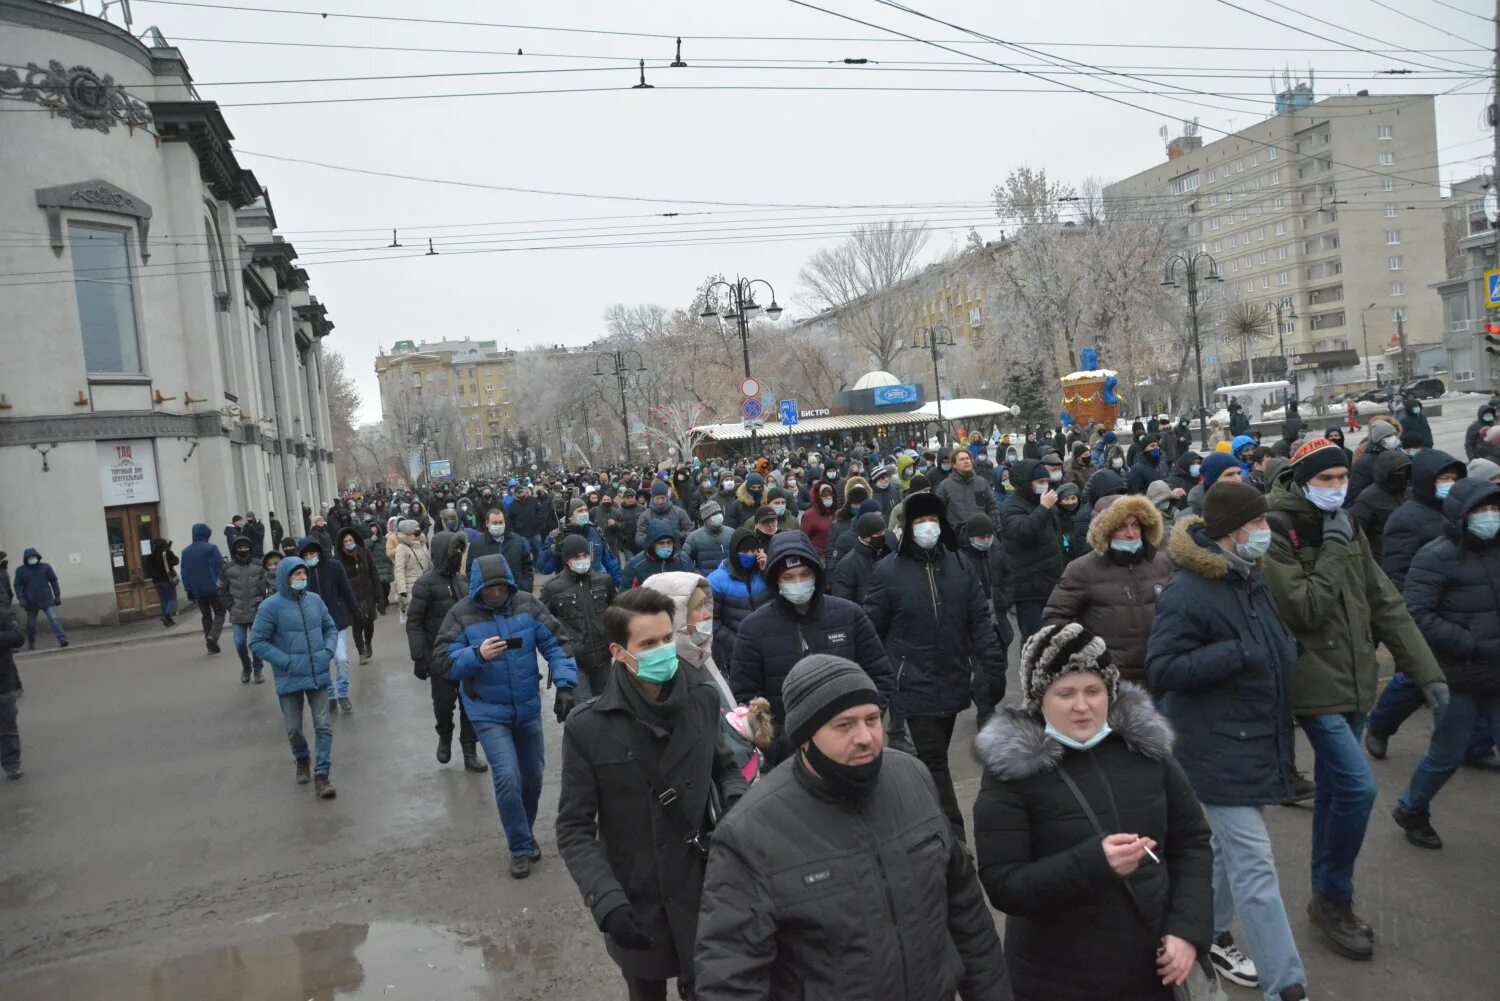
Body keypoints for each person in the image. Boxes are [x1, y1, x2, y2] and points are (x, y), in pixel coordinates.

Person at [695, 654, 1011, 1001]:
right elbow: (729, 981)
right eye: (844, 725)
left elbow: (967, 913)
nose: (866, 737)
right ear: (805, 737)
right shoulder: (749, 833)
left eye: (872, 719)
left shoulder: (912, 777)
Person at [1261, 437, 1444, 960]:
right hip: (1311, 683)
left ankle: (1323, 894)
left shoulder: (1347, 526)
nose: (1337, 489)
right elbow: (1305, 607)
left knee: (1338, 794)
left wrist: (1425, 672)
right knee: (1359, 789)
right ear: (1301, 482)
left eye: (1342, 479)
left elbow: (1384, 601)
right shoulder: (1278, 529)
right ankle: (1337, 895)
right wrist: (1338, 547)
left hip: (1358, 678)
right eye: (1326, 480)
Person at [973, 623, 1213, 1001]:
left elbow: (1193, 843)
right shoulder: (1011, 773)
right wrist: (1094, 864)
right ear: (1039, 698)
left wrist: (1186, 929)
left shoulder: (1146, 751)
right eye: (1065, 692)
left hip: (1153, 970)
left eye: (1093, 690)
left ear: (1110, 691)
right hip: (1056, 980)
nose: (1082, 706)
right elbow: (1004, 885)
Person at [1149, 482, 1310, 1001]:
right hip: (1212, 748)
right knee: (1255, 867)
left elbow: (1266, 644)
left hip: (1250, 738)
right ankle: (1287, 986)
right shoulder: (1188, 591)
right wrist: (1236, 654)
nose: (1266, 532)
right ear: (1232, 532)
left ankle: (1210, 931)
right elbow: (1163, 668)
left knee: (1219, 850)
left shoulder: (1248, 577)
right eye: (1258, 524)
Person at [556, 588, 748, 1001]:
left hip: (702, 889)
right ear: (619, 651)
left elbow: (726, 768)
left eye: (666, 639)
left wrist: (734, 816)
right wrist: (605, 901)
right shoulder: (588, 727)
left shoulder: (702, 698)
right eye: (648, 644)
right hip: (636, 900)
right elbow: (573, 828)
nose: (663, 651)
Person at [864, 492, 1005, 838]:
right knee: (934, 760)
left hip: (954, 675)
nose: (927, 526)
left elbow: (979, 621)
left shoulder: (959, 566)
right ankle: (952, 836)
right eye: (919, 520)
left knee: (934, 757)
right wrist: (881, 680)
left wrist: (992, 666)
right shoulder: (887, 571)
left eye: (932, 520)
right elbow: (872, 630)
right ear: (907, 526)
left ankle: (918, 815)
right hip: (912, 681)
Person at [436, 554, 579, 879]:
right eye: (490, 590)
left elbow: (558, 644)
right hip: (487, 711)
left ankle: (524, 834)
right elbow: (443, 661)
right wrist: (476, 655)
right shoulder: (460, 615)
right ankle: (518, 847)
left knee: (533, 778)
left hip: (527, 707)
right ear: (478, 589)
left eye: (502, 588)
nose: (497, 595)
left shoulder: (527, 606)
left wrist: (565, 684)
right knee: (507, 778)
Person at [1392, 477, 1500, 848]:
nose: (1489, 516)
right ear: (1461, 515)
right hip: (1459, 676)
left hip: (1497, 674)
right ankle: (1412, 808)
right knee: (1446, 755)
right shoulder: (1435, 556)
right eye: (1481, 510)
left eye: (1494, 508)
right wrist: (1469, 643)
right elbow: (1417, 612)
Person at [731, 532, 895, 768]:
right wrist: (780, 746)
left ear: (817, 574)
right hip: (791, 760)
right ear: (776, 579)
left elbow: (880, 674)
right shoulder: (753, 629)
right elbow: (747, 698)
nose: (798, 582)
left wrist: (863, 724)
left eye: (805, 574)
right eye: (789, 576)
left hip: (854, 748)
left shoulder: (850, 615)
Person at [1041, 494, 1171, 687]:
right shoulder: (1082, 570)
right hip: (1113, 680)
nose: (1131, 533)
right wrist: (1087, 658)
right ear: (1106, 531)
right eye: (1121, 527)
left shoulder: (1162, 563)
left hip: (1162, 674)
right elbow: (1054, 620)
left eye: (1135, 525)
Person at [249, 557, 339, 799]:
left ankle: (322, 775)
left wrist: (328, 651)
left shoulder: (315, 601)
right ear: (284, 578)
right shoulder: (270, 607)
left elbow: (330, 628)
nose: (302, 578)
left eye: (304, 574)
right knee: (293, 729)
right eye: (297, 574)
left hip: (318, 673)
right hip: (289, 677)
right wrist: (285, 661)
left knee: (323, 726)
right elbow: (257, 641)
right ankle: (302, 757)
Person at [405, 531, 487, 773]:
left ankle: (470, 751)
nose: (458, 555)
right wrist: (419, 656)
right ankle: (444, 735)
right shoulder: (425, 584)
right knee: (443, 705)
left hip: (467, 655)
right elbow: (414, 621)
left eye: (461, 550)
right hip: (439, 658)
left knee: (469, 703)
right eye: (455, 550)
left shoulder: (463, 581)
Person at [540, 534, 618, 699]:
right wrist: (562, 649)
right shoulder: (552, 588)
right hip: (574, 661)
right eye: (576, 557)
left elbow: (616, 611)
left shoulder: (603, 581)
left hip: (602, 657)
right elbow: (544, 623)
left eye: (585, 555)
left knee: (607, 707)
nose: (582, 560)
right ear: (567, 560)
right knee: (583, 712)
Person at [1000, 458, 1064, 644]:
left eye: (1046, 481)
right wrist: (1044, 508)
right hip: (1029, 588)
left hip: (1049, 582)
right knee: (1034, 640)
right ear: (1026, 484)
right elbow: (1022, 532)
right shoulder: (1013, 506)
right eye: (1040, 482)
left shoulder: (1040, 502)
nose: (1045, 486)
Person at [298, 536, 360, 713]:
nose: (310, 557)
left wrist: (355, 611)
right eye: (306, 554)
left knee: (341, 658)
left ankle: (343, 693)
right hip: (313, 626)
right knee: (322, 663)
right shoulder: (300, 573)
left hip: (335, 622)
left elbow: (346, 590)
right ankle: (331, 695)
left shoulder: (334, 567)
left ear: (319, 552)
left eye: (313, 553)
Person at [706, 526, 768, 669]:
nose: (749, 555)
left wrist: (767, 570)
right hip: (732, 652)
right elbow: (711, 621)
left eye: (753, 551)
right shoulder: (716, 581)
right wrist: (737, 642)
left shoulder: (763, 574)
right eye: (745, 551)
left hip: (764, 646)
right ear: (734, 551)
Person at [961, 513, 1015, 657]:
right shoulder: (960, 556)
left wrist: (1006, 599)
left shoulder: (996, 548)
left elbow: (1008, 574)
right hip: (976, 623)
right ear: (971, 537)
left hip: (999, 617)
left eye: (989, 536)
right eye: (982, 538)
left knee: (1001, 662)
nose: (986, 540)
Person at [539, 498, 624, 589]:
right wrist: (554, 549)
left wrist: (619, 586)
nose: (585, 513)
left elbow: (610, 562)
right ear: (570, 516)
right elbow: (543, 569)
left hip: (595, 585)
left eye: (586, 510)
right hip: (567, 588)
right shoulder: (556, 536)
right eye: (580, 511)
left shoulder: (596, 531)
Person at [218, 535, 268, 684]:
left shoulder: (259, 566)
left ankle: (258, 670)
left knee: (256, 643)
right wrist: (230, 605)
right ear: (234, 550)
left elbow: (265, 587)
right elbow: (220, 589)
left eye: (246, 547)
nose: (243, 550)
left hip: (256, 612)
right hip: (237, 613)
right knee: (240, 643)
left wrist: (262, 601)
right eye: (239, 548)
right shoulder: (227, 568)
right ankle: (246, 667)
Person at [1349, 448, 1411, 560]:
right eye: (1396, 472)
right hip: (1381, 558)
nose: (1400, 474)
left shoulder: (1409, 492)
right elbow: (1356, 533)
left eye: (1403, 470)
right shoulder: (1367, 498)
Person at [335, 527, 381, 664]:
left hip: (367, 593)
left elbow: (373, 572)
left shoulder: (364, 552)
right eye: (346, 541)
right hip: (351, 596)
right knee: (357, 625)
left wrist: (379, 594)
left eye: (350, 540)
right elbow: (338, 579)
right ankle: (361, 652)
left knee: (369, 623)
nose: (348, 542)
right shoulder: (339, 558)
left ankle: (368, 642)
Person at [178, 526, 223, 654]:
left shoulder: (185, 552)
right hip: (214, 587)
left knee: (206, 615)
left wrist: (189, 590)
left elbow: (184, 573)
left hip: (197, 589)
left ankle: (210, 644)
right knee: (220, 612)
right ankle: (212, 636)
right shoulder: (211, 548)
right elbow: (219, 568)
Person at [934, 447, 1001, 535]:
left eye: (967, 458)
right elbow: (938, 512)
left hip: (982, 534)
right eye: (962, 459)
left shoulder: (982, 482)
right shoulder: (945, 486)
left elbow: (992, 507)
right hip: (957, 536)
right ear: (954, 465)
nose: (966, 461)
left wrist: (997, 529)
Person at [830, 510, 887, 607]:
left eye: (883, 531)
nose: (883, 535)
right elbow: (843, 602)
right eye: (878, 533)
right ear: (866, 537)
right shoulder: (847, 565)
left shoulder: (884, 553)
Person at [1344, 415, 1403, 507]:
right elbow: (1355, 491)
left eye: (1393, 435)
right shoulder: (1365, 462)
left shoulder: (1398, 454)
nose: (1393, 438)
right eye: (1388, 436)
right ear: (1379, 439)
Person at [624, 520, 695, 587]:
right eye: (661, 543)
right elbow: (627, 594)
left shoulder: (683, 560)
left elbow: (693, 585)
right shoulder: (636, 565)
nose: (666, 546)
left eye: (669, 542)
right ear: (652, 544)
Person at [392, 518, 434, 620]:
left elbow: (429, 562)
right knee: (416, 617)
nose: (418, 530)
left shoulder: (422, 544)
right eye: (415, 529)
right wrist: (402, 590)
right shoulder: (401, 548)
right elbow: (399, 570)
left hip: (426, 582)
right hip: (411, 586)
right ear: (409, 532)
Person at [634, 479, 694, 549]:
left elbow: (691, 531)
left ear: (667, 497)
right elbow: (639, 538)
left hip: (676, 552)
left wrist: (679, 535)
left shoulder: (679, 512)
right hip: (653, 554)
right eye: (657, 498)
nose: (660, 501)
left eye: (663, 498)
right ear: (653, 498)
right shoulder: (645, 516)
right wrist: (655, 540)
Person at [0, 606, 24, 779]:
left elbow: (18, 637)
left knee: (7, 726)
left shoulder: (4, 615)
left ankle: (12, 764)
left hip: (3, 682)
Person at [683, 500, 732, 575]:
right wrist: (697, 574)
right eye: (713, 514)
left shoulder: (731, 533)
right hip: (706, 581)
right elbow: (684, 560)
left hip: (730, 578)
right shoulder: (694, 537)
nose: (718, 516)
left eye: (719, 512)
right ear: (705, 518)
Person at [143, 537, 180, 628]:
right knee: (171, 598)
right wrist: (169, 552)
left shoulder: (151, 556)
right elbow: (176, 561)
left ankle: (167, 617)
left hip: (157, 581)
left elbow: (148, 569)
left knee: (163, 599)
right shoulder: (166, 553)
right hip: (167, 580)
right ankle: (167, 616)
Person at [366, 522, 393, 615]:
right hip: (376, 566)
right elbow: (366, 550)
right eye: (371, 529)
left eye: (375, 528)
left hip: (385, 565)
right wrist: (372, 541)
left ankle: (385, 599)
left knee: (386, 586)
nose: (373, 530)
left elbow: (389, 549)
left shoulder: (385, 539)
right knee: (379, 588)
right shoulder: (367, 541)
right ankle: (382, 606)